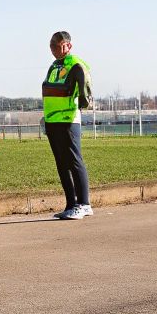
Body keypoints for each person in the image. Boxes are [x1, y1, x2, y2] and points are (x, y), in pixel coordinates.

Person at [42, 31, 93, 220]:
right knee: (61, 163)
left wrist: (84, 97)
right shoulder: (54, 67)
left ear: (69, 46)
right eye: (53, 46)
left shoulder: (75, 63)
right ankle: (71, 204)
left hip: (69, 119)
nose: (56, 50)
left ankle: (84, 203)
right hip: (53, 120)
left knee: (74, 160)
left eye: (60, 46)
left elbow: (84, 79)